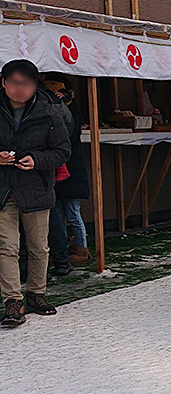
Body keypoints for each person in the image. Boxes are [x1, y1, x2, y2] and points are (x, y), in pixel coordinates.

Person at [0, 59, 71, 327]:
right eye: (14, 82)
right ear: (4, 83)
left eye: (26, 83)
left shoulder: (50, 111)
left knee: (39, 246)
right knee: (6, 246)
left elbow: (63, 150)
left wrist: (37, 160)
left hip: (36, 187)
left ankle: (37, 294)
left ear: (35, 85)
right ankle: (12, 301)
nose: (20, 89)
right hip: (4, 188)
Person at [43, 78, 88, 275]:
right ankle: (74, 251)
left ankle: (79, 250)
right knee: (66, 214)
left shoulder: (64, 109)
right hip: (66, 168)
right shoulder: (69, 108)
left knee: (67, 214)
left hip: (66, 168)